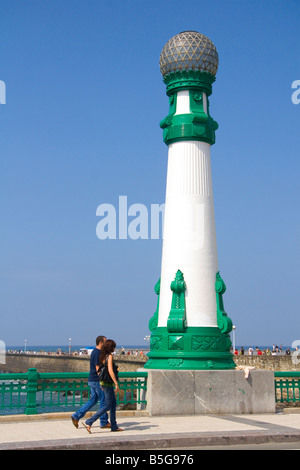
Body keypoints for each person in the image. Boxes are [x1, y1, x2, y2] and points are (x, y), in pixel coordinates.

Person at [83, 339, 123, 433]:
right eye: (113, 347)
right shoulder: (109, 356)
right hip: (108, 384)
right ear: (111, 347)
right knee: (107, 405)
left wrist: (101, 383)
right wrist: (116, 383)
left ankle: (114, 426)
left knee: (113, 405)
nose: (114, 348)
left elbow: (100, 370)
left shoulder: (102, 356)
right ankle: (90, 421)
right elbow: (110, 370)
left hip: (103, 383)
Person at [71, 336, 110, 429]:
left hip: (92, 380)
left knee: (93, 400)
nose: (106, 344)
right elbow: (98, 368)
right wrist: (102, 381)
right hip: (96, 380)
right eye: (105, 342)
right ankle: (104, 422)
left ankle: (76, 416)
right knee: (104, 401)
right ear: (101, 343)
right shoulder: (97, 353)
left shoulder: (94, 352)